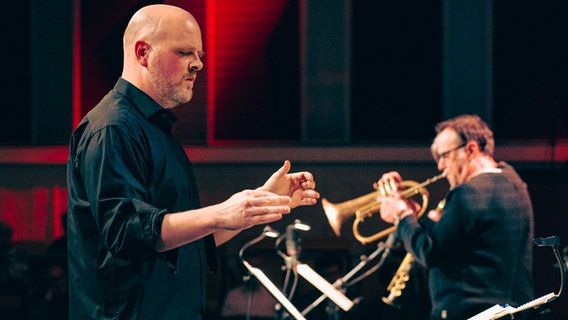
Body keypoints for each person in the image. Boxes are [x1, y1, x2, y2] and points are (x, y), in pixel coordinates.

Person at [66, 4, 320, 320]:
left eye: (199, 54)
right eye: (185, 53)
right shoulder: (112, 128)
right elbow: (126, 232)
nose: (198, 64)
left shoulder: (155, 129)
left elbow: (182, 242)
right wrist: (220, 212)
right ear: (143, 53)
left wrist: (256, 206)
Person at [376, 114, 534, 319]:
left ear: (471, 150)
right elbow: (455, 243)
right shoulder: (512, 180)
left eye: (444, 155)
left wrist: (402, 214)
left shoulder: (468, 193)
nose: (440, 166)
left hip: (471, 312)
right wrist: (414, 219)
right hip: (513, 311)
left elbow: (429, 252)